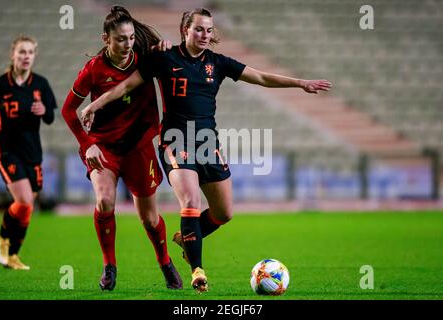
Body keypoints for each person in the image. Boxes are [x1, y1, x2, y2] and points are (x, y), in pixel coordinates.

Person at [80, 7, 332, 293]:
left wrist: (301, 84)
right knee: (190, 201)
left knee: (224, 213)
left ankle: (185, 238)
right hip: (175, 140)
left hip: (208, 143)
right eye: (198, 29)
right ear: (185, 30)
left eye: (209, 30)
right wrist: (93, 105)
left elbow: (260, 77)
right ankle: (197, 270)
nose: (204, 34)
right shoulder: (165, 58)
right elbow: (126, 85)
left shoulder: (218, 63)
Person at [61, 6, 182, 291]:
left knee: (150, 219)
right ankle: (109, 266)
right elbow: (68, 110)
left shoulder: (146, 58)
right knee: (104, 201)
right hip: (104, 147)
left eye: (130, 38)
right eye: (120, 39)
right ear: (106, 39)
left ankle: (165, 262)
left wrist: (165, 46)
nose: (127, 44)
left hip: (139, 147)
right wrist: (87, 144)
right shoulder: (94, 70)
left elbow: (174, 56)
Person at [0, 35, 57, 270]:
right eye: (21, 52)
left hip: (33, 153)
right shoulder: (0, 85)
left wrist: (43, 110)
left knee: (28, 205)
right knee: (25, 200)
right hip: (8, 150)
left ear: (34, 56)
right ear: (13, 55)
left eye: (30, 52)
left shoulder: (41, 84)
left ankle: (12, 255)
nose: (26, 56)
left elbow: (50, 117)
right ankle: (1, 238)